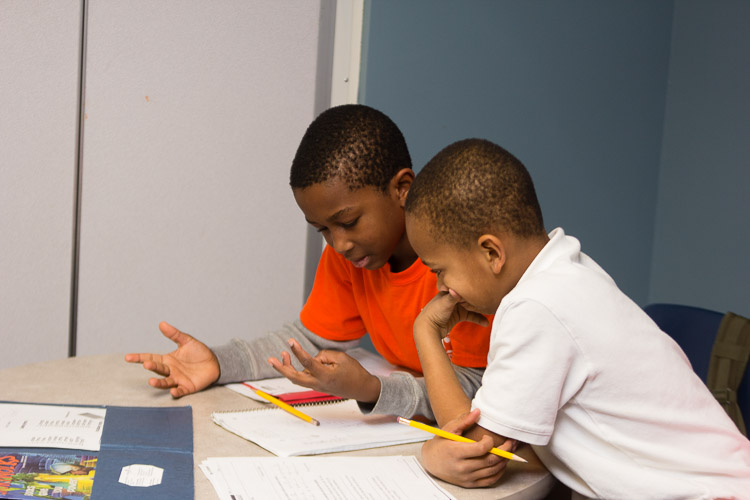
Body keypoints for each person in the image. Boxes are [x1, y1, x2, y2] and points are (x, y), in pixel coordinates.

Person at [404, 138, 750, 497]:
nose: (441, 288)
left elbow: (475, 448)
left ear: (491, 252)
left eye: (440, 270)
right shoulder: (568, 270)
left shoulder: (535, 306)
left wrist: (426, 332)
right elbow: (521, 446)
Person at [125, 105, 491, 421]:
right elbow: (308, 340)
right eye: (323, 230)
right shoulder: (352, 256)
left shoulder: (462, 266)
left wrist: (371, 388)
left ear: (402, 188)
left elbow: (476, 388)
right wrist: (219, 363)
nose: (339, 243)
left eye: (348, 222)